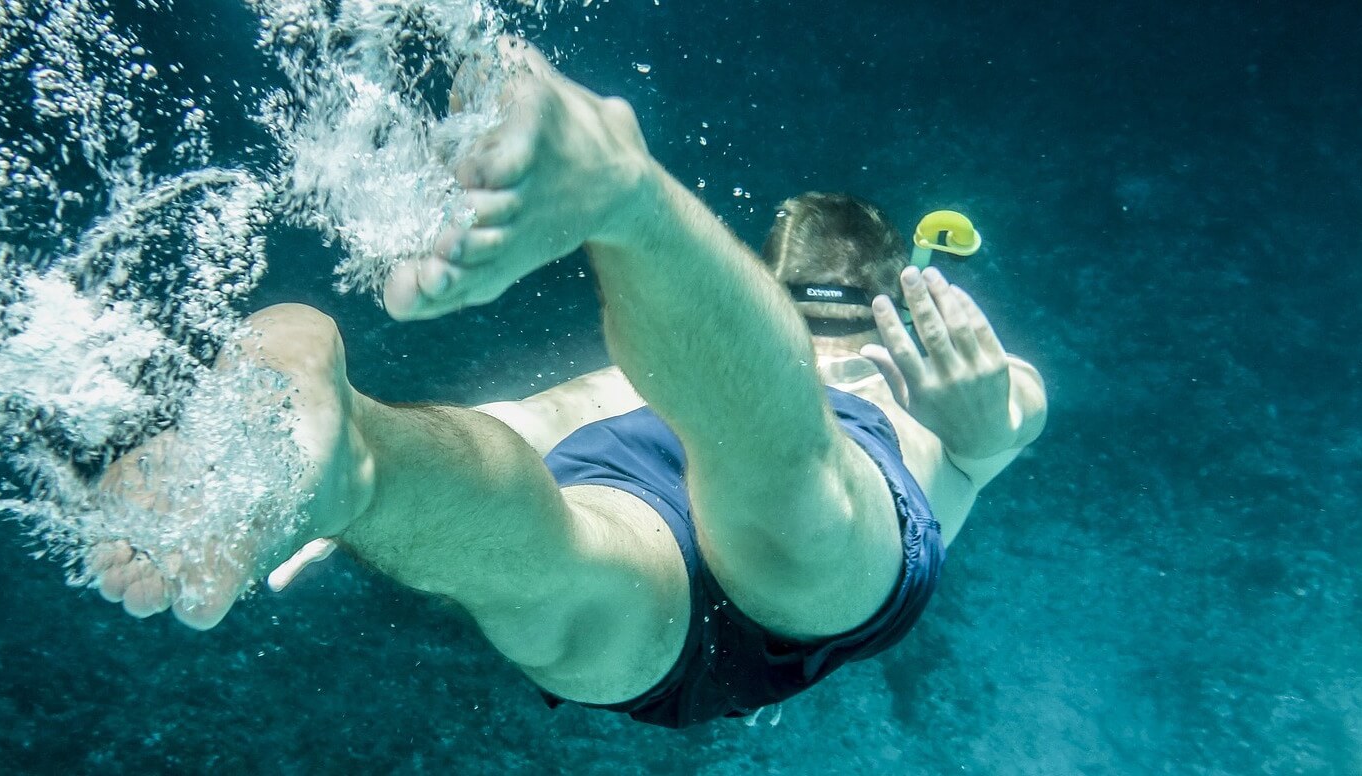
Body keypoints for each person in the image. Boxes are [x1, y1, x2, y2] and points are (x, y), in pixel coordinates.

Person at [84, 38, 1046, 728]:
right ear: (887, 299)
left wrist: (316, 482)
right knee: (794, 506)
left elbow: (541, 415)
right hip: (795, 529)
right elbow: (1004, 419)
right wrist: (982, 424)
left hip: (641, 469)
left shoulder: (686, 360)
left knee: (546, 555)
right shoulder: (944, 373)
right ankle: (627, 202)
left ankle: (361, 460)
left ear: (765, 285)